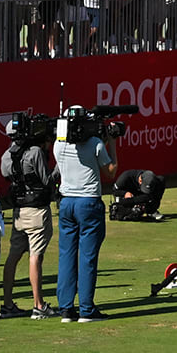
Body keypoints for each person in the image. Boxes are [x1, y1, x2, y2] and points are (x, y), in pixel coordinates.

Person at [54, 113, 117, 321]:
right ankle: (87, 310)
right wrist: (113, 144)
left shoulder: (59, 145)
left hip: (66, 203)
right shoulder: (96, 144)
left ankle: (66, 309)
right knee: (88, 258)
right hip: (88, 202)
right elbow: (110, 171)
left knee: (67, 256)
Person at [0, 118, 57, 319]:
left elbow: (6, 174)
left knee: (13, 257)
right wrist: (60, 168)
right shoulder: (36, 153)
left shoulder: (7, 155)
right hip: (37, 212)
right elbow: (47, 180)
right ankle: (39, 305)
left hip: (18, 213)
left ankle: (6, 305)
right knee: (35, 257)